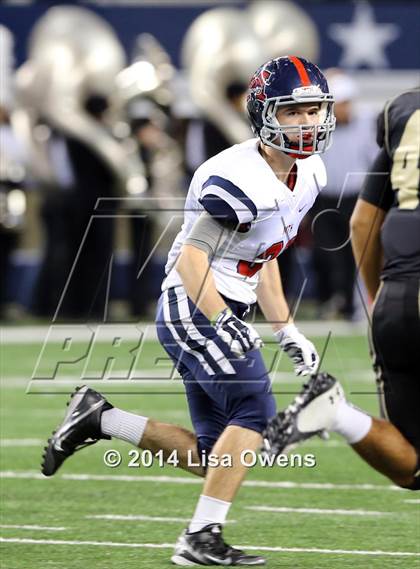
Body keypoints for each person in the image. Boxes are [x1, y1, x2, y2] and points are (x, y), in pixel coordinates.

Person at [41, 56, 337, 565]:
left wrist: (286, 329)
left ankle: (101, 419)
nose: (308, 122)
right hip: (194, 303)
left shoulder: (309, 172)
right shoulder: (237, 175)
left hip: (225, 304)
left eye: (315, 110)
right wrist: (222, 320)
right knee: (257, 417)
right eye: (294, 112)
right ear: (265, 114)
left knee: (215, 457)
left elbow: (261, 257)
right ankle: (199, 538)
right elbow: (193, 259)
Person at [264, 88, 420, 492]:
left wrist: (378, 297)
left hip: (398, 296)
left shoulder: (405, 117)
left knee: (412, 463)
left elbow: (361, 225)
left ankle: (336, 412)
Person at [311, 70, 377, 320]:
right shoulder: (317, 126)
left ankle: (355, 306)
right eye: (339, 104)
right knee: (327, 253)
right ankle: (333, 301)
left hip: (357, 199)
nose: (344, 109)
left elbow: (375, 159)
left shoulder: (367, 123)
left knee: (357, 252)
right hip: (324, 199)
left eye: (347, 103)